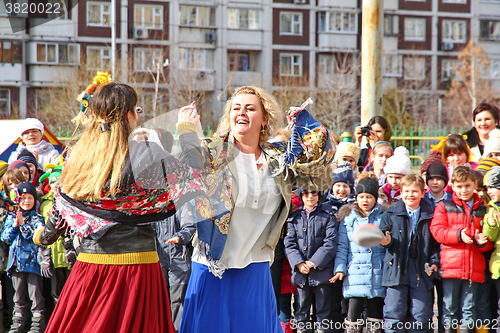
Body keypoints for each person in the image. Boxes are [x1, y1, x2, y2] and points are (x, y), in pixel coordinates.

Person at [32, 82, 206, 333]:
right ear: (129, 115)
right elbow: (194, 182)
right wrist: (188, 132)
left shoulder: (78, 157)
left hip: (91, 268)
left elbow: (61, 210)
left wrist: (42, 236)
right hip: (138, 270)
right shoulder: (147, 154)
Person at [175, 86, 334, 333]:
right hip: (212, 266)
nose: (241, 113)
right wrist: (187, 134)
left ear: (264, 119)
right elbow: (182, 176)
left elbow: (321, 169)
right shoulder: (213, 151)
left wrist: (304, 125)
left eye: (250, 108)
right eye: (236, 108)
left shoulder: (279, 157)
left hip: (255, 266)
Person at [430, 166, 493, 331]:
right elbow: (437, 231)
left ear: (474, 185)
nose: (463, 190)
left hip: (474, 269)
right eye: (459, 186)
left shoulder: (483, 210)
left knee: (469, 310)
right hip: (451, 267)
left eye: (467, 185)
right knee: (450, 309)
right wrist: (458, 235)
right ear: (452, 186)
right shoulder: (445, 206)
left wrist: (480, 241)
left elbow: (489, 242)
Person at [379, 174, 440, 333]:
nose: (410, 195)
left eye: (414, 191)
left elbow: (436, 244)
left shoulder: (431, 214)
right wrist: (386, 241)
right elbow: (383, 235)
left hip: (421, 268)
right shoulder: (391, 214)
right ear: (401, 192)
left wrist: (434, 262)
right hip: (396, 268)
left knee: (421, 315)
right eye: (406, 191)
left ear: (422, 192)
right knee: (394, 312)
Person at [330, 173, 386, 333]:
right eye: (361, 196)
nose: (365, 200)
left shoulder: (383, 218)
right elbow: (342, 247)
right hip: (354, 274)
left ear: (375, 198)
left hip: (377, 273)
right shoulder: (349, 219)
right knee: (353, 315)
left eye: (369, 196)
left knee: (376, 315)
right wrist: (340, 268)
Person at [284, 189, 337, 333]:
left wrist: (313, 262)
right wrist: (299, 263)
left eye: (314, 193)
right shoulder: (294, 217)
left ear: (319, 195)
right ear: (301, 195)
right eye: (306, 193)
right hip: (301, 272)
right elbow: (289, 244)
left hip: (322, 270)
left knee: (324, 310)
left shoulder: (327, 216)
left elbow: (330, 243)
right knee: (301, 310)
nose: (310, 197)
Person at [1, 182, 46, 333]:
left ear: (35, 200)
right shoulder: (12, 216)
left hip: (33, 263)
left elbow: (34, 236)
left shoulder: (37, 218)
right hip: (16, 264)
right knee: (18, 296)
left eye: (30, 198)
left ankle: (38, 323)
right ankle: (18, 323)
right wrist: (15, 225)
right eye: (23, 198)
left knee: (35, 295)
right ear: (18, 200)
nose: (26, 201)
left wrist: (23, 225)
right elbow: (5, 238)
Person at [482, 166, 500, 333]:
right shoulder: (492, 208)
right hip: (498, 266)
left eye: (492, 187)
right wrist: (491, 225)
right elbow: (490, 237)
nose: (489, 191)